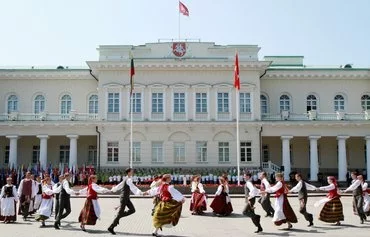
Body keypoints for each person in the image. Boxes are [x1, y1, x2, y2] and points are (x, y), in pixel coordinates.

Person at [108, 168, 144, 235]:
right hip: (124, 198)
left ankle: (119, 215)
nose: (133, 172)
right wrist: (140, 193)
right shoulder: (128, 179)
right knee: (121, 212)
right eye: (132, 171)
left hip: (126, 198)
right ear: (129, 172)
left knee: (132, 210)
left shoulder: (126, 179)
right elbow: (133, 187)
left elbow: (119, 185)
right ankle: (111, 227)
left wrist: (114, 189)